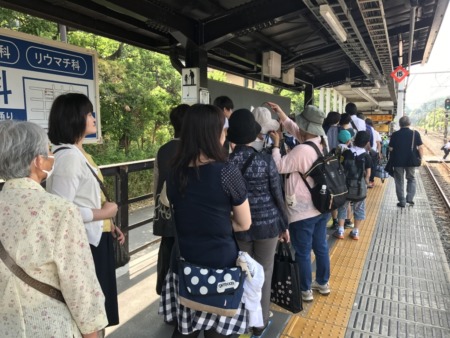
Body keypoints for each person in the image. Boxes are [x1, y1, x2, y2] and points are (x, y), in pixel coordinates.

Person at [0, 120, 107, 338]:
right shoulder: (61, 211)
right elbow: (79, 285)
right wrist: (92, 333)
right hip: (50, 327)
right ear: (38, 161)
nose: (51, 156)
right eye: (48, 151)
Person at [159, 104, 252, 338]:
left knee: (185, 328)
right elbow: (244, 223)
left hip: (185, 262)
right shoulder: (227, 171)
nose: (226, 134)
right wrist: (218, 219)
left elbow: (180, 208)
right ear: (213, 134)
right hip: (220, 267)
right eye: (223, 129)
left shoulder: (174, 171)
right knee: (219, 331)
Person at [46, 93, 125, 332]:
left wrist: (109, 222)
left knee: (97, 305)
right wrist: (104, 214)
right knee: (91, 309)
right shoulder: (68, 157)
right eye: (89, 113)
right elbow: (61, 210)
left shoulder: (76, 152)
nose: (93, 118)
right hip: (85, 244)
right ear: (74, 118)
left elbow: (87, 199)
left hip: (95, 237)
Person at [227, 109, 290, 336]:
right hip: (268, 226)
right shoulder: (264, 161)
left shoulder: (226, 164)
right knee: (264, 272)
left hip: (238, 227)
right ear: (253, 135)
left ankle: (241, 319)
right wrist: (284, 226)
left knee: (242, 272)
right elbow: (277, 195)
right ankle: (260, 322)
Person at [268, 103, 331, 303]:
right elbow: (296, 130)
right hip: (322, 205)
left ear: (305, 127)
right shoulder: (322, 141)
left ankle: (305, 289)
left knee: (303, 251)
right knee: (320, 246)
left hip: (304, 210)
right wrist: (281, 114)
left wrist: (276, 146)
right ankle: (322, 283)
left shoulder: (302, 150)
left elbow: (279, 166)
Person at [153, 104, 189, 296]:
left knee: (167, 250)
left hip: (165, 211)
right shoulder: (194, 149)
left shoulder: (163, 150)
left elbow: (156, 184)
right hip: (187, 214)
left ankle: (164, 291)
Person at [333, 131, 372, 240]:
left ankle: (340, 230)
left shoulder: (346, 153)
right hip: (360, 188)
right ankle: (355, 232)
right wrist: (366, 184)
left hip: (345, 187)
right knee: (359, 208)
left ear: (354, 139)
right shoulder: (366, 157)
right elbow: (368, 175)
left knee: (342, 207)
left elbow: (340, 168)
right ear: (366, 143)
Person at [388, 116, 424, 207]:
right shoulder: (415, 133)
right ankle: (410, 199)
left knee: (399, 181)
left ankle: (402, 201)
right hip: (410, 161)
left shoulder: (395, 134)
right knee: (411, 179)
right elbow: (420, 147)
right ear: (409, 123)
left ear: (399, 124)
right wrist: (421, 158)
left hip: (397, 161)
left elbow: (391, 148)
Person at [365, 118, 381, 188]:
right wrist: (379, 153)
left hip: (367, 151)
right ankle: (371, 181)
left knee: (367, 167)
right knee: (373, 166)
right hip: (374, 152)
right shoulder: (376, 132)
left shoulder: (366, 130)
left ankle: (366, 180)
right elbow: (379, 144)